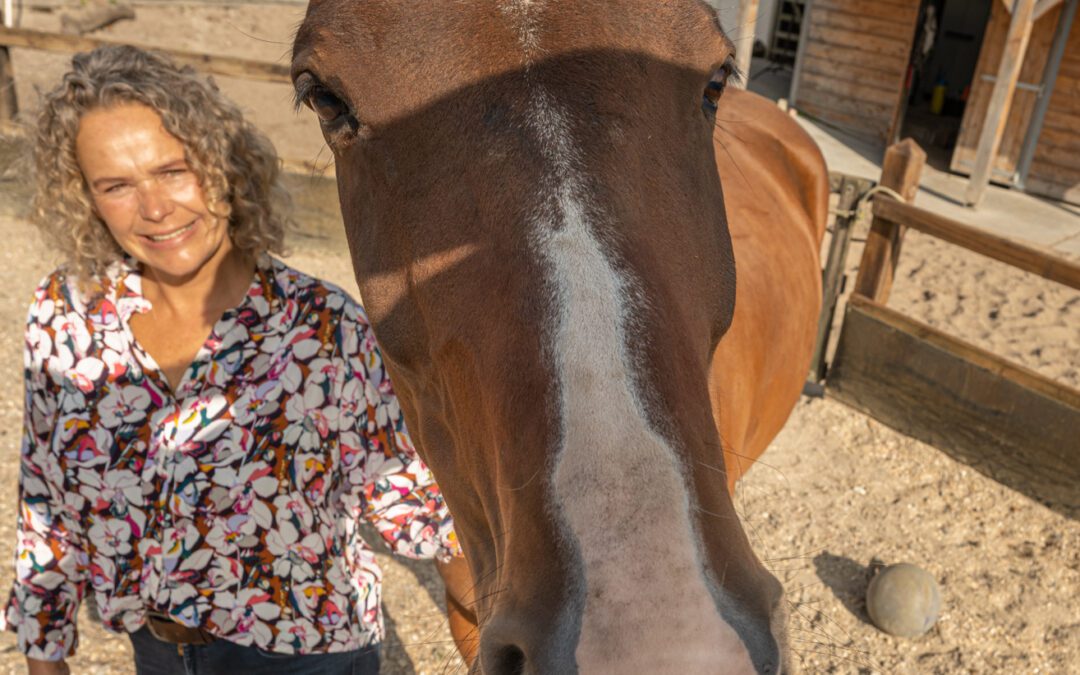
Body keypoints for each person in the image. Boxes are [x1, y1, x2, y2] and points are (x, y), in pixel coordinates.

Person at [1, 45, 476, 674]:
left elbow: (417, 507)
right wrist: (45, 655)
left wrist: (490, 646)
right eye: (116, 185)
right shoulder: (65, 315)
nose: (154, 209)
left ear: (223, 162)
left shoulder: (322, 326)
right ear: (84, 197)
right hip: (159, 655)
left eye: (173, 170)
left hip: (308, 658)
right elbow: (48, 503)